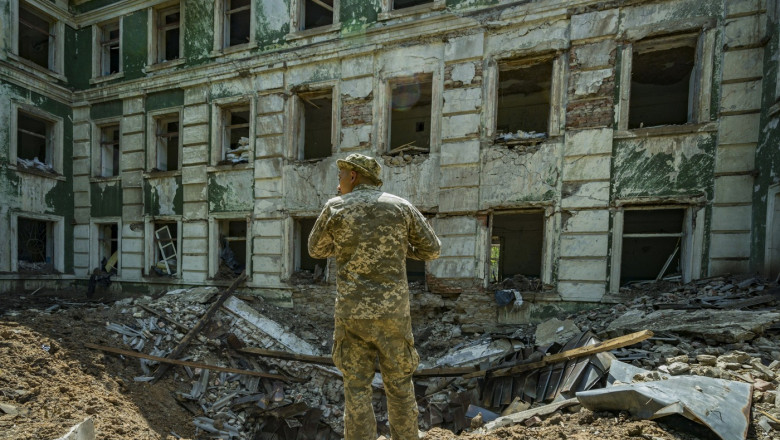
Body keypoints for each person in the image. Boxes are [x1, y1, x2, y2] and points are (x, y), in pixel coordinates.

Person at [308, 153, 441, 440]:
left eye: (341, 175)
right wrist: (396, 249)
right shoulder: (401, 207)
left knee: (356, 389)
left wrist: (348, 247)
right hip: (393, 316)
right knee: (400, 386)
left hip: (352, 316)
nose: (338, 181)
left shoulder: (335, 208)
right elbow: (431, 249)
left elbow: (316, 250)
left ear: (353, 176)